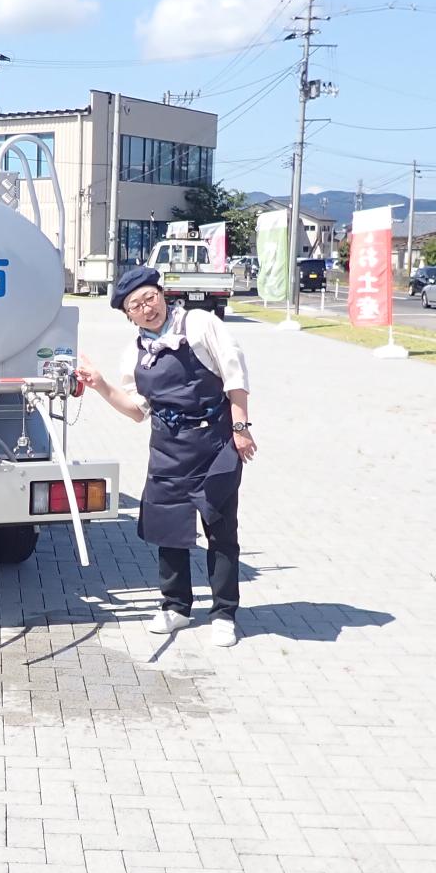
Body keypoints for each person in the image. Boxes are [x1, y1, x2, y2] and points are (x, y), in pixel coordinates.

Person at [78, 266, 255, 647]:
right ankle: (175, 607)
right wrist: (101, 385)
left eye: (149, 298)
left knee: (220, 530)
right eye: (135, 305)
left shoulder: (200, 324)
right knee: (168, 529)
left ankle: (224, 613)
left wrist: (240, 428)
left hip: (215, 443)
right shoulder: (136, 354)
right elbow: (137, 409)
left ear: (163, 294)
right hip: (168, 448)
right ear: (128, 315)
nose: (146, 308)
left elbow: (234, 374)